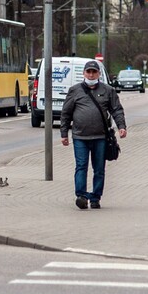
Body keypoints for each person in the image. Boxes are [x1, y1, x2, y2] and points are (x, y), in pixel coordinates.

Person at [60, 60, 127, 209]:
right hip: (80, 137)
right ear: (83, 73)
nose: (91, 75)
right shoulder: (75, 90)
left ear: (99, 74)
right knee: (81, 166)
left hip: (100, 138)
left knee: (99, 169)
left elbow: (116, 109)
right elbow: (66, 113)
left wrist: (121, 126)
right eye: (88, 72)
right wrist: (64, 133)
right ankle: (81, 196)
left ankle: (96, 197)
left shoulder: (108, 90)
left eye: (94, 72)